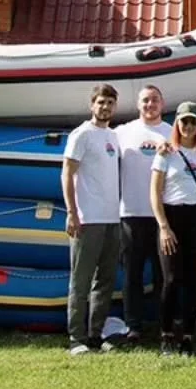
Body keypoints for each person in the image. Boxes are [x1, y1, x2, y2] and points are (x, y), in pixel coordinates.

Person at [149, 101, 196, 358]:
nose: (188, 126)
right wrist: (164, 226)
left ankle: (188, 336)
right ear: (177, 124)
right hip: (171, 216)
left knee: (192, 280)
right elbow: (154, 191)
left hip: (195, 218)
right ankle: (166, 334)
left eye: (193, 122)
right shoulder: (166, 152)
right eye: (184, 121)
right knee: (171, 279)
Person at [62, 83, 122, 356]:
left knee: (105, 280)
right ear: (92, 105)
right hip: (88, 218)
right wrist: (72, 212)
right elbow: (67, 174)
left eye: (110, 103)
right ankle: (76, 338)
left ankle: (96, 334)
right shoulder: (81, 135)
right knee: (81, 281)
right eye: (101, 102)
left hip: (112, 218)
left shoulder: (113, 136)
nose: (105, 107)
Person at [115, 84, 173, 345]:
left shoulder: (172, 133)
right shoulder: (122, 133)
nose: (150, 105)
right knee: (132, 275)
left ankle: (165, 327)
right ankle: (133, 327)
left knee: (165, 275)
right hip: (131, 213)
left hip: (164, 217)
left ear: (163, 104)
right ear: (138, 105)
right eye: (146, 101)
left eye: (155, 100)